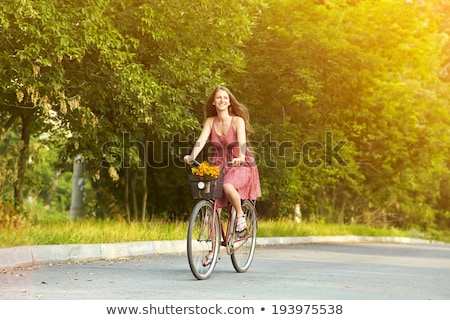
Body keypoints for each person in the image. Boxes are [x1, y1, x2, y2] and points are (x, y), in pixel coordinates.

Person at [184, 86, 261, 247]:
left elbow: (242, 143)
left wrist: (240, 157)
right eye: (218, 98)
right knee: (214, 206)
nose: (222, 100)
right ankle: (213, 252)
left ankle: (240, 215)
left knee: (227, 185)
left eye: (225, 98)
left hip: (241, 164)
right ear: (213, 102)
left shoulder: (237, 121)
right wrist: (192, 156)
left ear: (229, 102)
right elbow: (201, 140)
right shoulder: (210, 121)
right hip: (219, 165)